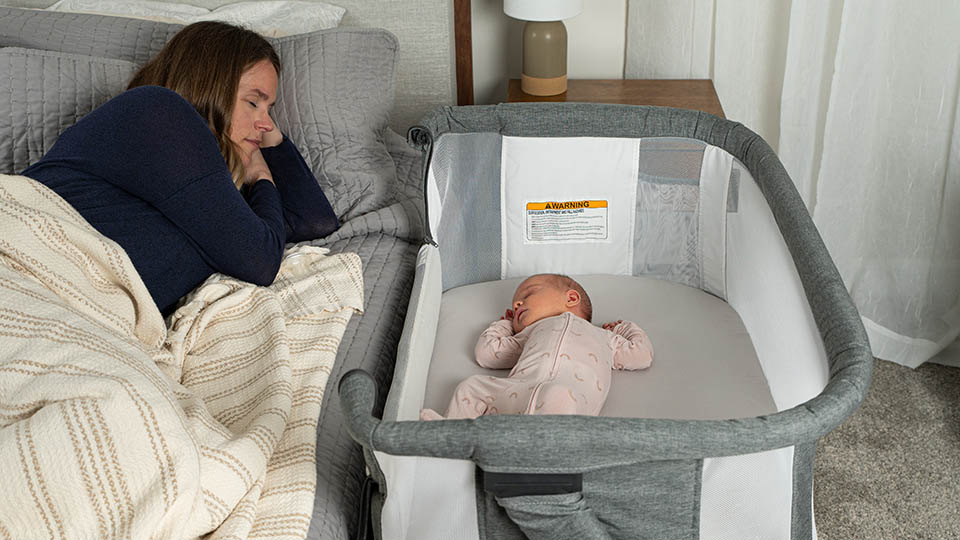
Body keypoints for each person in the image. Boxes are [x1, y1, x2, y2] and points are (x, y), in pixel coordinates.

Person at [21, 21, 338, 316]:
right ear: (208, 87)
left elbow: (313, 220)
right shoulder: (158, 113)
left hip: (69, 312)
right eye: (253, 102)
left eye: (270, 109)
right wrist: (262, 176)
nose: (266, 123)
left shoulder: (215, 197)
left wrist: (267, 149)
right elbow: (260, 260)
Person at [421, 274, 654, 420]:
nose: (517, 303)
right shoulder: (528, 334)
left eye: (529, 294)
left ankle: (533, 455)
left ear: (571, 299)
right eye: (515, 304)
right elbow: (487, 353)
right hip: (516, 391)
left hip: (566, 397)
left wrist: (624, 328)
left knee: (559, 396)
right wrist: (505, 325)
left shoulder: (604, 337)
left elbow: (642, 355)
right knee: (471, 386)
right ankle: (452, 434)